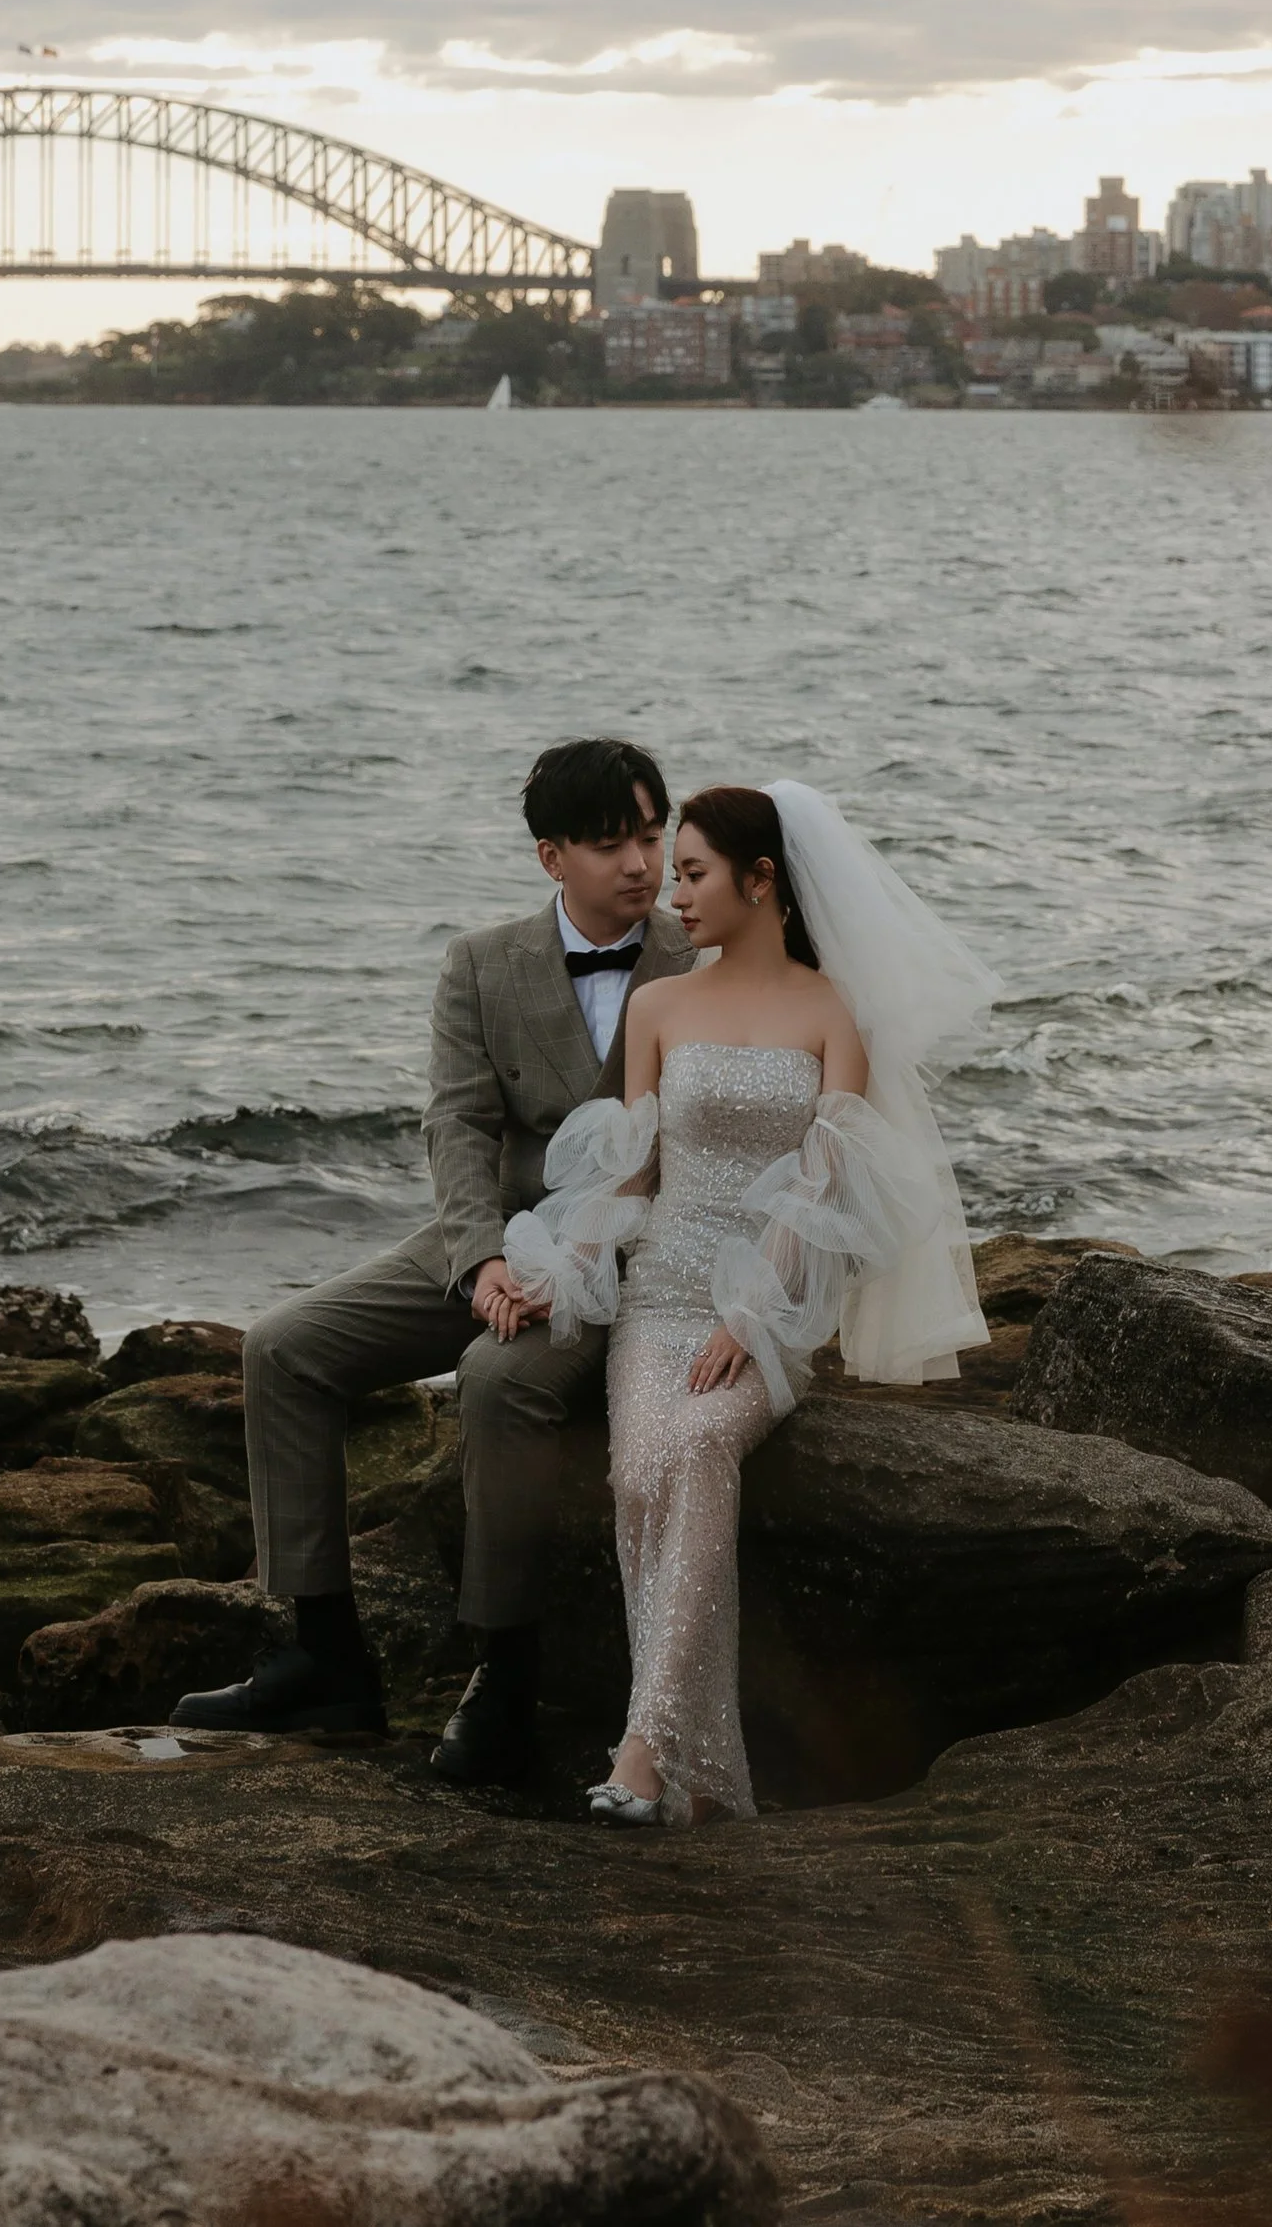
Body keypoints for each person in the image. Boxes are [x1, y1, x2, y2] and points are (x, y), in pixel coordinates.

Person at [174, 735, 694, 1786]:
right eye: (609, 844)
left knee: (499, 1380)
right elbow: (455, 1126)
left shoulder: (700, 959)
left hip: (629, 1251)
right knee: (283, 1348)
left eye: (651, 835)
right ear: (551, 856)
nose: (640, 864)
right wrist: (479, 1261)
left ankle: (503, 1676)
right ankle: (323, 1658)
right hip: (493, 1230)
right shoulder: (480, 963)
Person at [502, 779, 994, 1825]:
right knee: (641, 1469)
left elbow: (822, 1188)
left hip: (762, 1310)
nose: (672, 894)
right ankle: (699, 1781)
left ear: (761, 880)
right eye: (669, 872)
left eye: (691, 873)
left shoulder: (831, 1011)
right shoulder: (658, 1005)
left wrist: (753, 1316)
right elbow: (631, 1174)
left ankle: (642, 1757)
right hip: (661, 1298)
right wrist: (549, 1273)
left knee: (700, 1445)